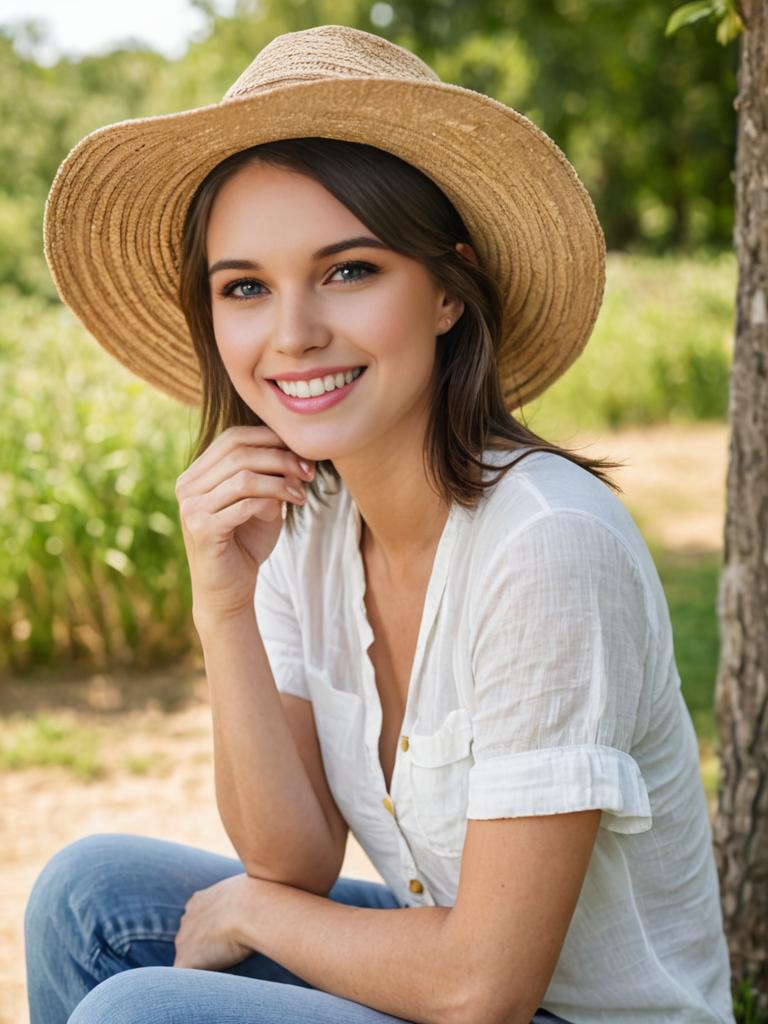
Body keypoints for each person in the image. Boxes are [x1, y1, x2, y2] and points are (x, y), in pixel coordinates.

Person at [26, 23, 734, 1024]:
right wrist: (222, 603)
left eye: (349, 270)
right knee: (90, 895)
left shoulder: (547, 544)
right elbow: (291, 858)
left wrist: (251, 916)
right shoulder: (306, 521)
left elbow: (483, 986)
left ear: (448, 288)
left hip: (546, 1009)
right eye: (245, 287)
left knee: (141, 1010)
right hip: (450, 976)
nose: (294, 332)